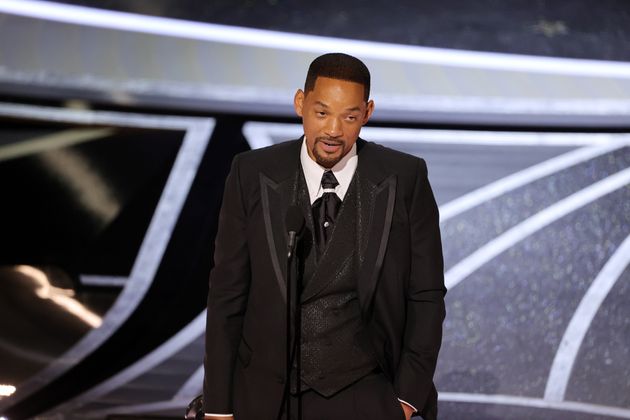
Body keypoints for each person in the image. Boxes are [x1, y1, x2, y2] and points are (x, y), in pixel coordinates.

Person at [203, 53, 445, 420]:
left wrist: (406, 399)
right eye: (322, 113)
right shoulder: (251, 173)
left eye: (349, 116)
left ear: (367, 113)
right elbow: (227, 295)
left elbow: (426, 294)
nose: (334, 129)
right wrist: (219, 408)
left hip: (367, 395)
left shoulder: (404, 177)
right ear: (300, 103)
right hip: (268, 396)